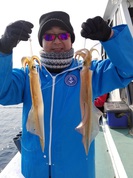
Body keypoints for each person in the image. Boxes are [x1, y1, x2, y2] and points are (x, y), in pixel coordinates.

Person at [0, 11, 133, 178]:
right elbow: (2, 93)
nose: (56, 41)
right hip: (34, 170)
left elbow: (128, 69)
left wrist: (110, 36)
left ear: (71, 39)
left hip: (76, 170)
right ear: (41, 42)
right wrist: (3, 50)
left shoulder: (91, 72)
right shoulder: (28, 75)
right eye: (49, 37)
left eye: (63, 35)